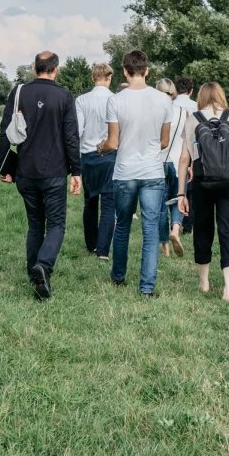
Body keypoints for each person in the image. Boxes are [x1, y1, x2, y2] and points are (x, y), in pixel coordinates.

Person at [0, 51, 81, 301]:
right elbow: (71, 137)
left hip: (25, 170)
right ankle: (43, 267)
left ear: (35, 69)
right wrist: (76, 171)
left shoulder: (19, 92)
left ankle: (34, 275)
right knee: (56, 224)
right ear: (56, 70)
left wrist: (4, 167)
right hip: (55, 171)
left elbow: (5, 132)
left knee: (35, 225)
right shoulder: (65, 96)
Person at [98, 50, 173, 297]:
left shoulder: (115, 101)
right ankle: (147, 287)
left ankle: (118, 275)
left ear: (125, 71)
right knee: (150, 230)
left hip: (125, 172)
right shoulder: (163, 100)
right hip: (152, 171)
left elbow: (112, 143)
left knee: (122, 226)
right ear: (147, 70)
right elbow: (164, 141)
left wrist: (100, 147)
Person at [178, 81, 229, 302]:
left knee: (202, 228)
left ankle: (204, 283)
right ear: (221, 96)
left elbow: (184, 160)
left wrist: (181, 193)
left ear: (201, 97)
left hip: (202, 183)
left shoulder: (193, 120)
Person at [76, 63, 116, 261]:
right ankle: (103, 250)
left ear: (92, 78)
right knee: (109, 203)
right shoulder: (115, 99)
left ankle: (91, 244)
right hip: (110, 155)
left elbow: (78, 130)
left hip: (88, 155)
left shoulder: (81, 100)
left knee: (90, 202)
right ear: (110, 77)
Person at [155, 78, 186, 257]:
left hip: (157, 163)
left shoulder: (153, 112)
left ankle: (165, 246)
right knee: (178, 198)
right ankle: (175, 229)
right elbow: (188, 141)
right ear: (173, 92)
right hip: (178, 162)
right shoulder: (183, 112)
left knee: (160, 206)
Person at [173, 77, 197, 234]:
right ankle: (188, 226)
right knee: (190, 191)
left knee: (172, 191)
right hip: (190, 151)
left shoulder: (170, 106)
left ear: (176, 90)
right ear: (191, 91)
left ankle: (172, 223)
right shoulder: (197, 107)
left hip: (170, 154)